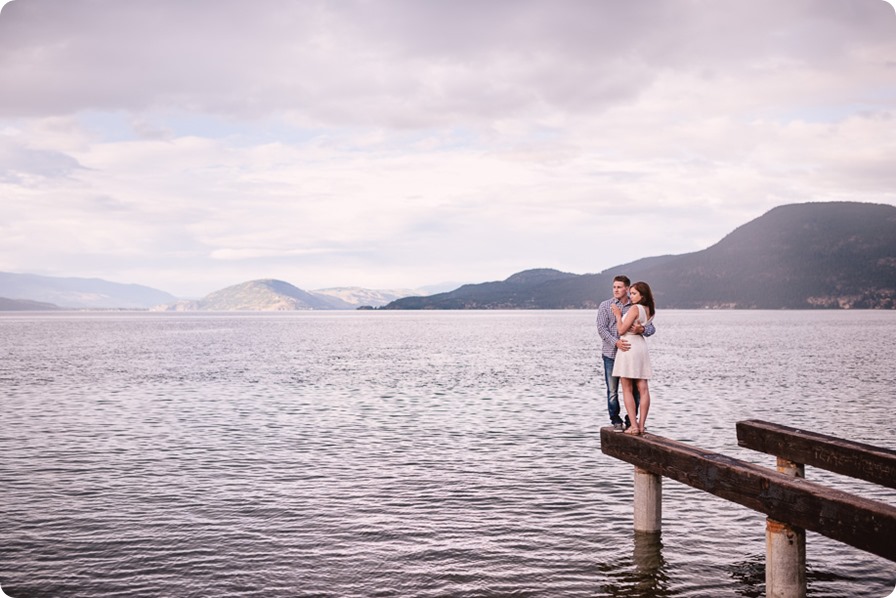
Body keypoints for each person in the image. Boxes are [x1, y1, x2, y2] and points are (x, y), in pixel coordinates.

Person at [597, 276, 655, 432]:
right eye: (614, 287)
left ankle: (632, 422)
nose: (616, 289)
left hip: (630, 352)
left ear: (627, 289)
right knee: (612, 391)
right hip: (611, 353)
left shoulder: (635, 305)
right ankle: (616, 420)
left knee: (634, 390)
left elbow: (651, 328)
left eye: (619, 287)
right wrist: (616, 342)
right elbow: (602, 329)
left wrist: (641, 329)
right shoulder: (605, 306)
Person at [612, 281, 656, 435]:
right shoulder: (649, 309)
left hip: (628, 347)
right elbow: (650, 327)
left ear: (642, 295)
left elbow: (621, 330)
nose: (631, 296)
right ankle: (642, 426)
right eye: (630, 293)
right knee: (643, 388)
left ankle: (634, 426)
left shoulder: (635, 308)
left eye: (634, 293)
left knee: (627, 388)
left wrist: (618, 316)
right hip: (641, 347)